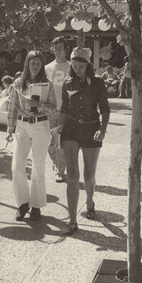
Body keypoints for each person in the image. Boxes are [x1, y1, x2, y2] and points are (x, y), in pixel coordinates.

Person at [59, 46, 110, 235]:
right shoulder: (67, 83)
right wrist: (57, 130)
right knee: (72, 176)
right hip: (71, 129)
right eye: (74, 65)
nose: (78, 69)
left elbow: (105, 108)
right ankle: (72, 221)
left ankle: (89, 202)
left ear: (87, 65)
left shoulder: (97, 83)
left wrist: (102, 130)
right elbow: (64, 108)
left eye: (81, 66)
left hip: (91, 128)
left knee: (89, 176)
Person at [6, 50, 56, 221]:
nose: (35, 65)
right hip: (22, 126)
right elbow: (12, 105)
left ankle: (36, 205)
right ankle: (22, 203)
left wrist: (38, 104)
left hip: (40, 125)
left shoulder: (47, 84)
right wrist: (10, 128)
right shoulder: (18, 83)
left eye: (38, 63)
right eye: (32, 62)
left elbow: (53, 109)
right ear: (27, 64)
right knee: (17, 166)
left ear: (42, 65)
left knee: (38, 167)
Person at [45, 37, 71, 183]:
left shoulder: (71, 67)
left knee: (60, 142)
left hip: (64, 111)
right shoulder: (47, 68)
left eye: (60, 47)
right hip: (48, 111)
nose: (58, 49)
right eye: (55, 46)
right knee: (49, 143)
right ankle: (57, 164)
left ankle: (60, 170)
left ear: (66, 49)